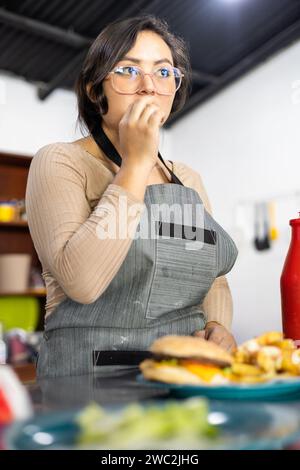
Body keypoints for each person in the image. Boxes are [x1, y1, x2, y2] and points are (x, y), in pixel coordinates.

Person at [26, 15, 238, 378]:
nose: (148, 87)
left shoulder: (186, 179)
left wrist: (219, 325)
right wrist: (136, 164)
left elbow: (213, 278)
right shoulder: (62, 162)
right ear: (96, 90)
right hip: (89, 382)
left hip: (184, 377)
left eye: (163, 72)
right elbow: (83, 282)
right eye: (127, 70)